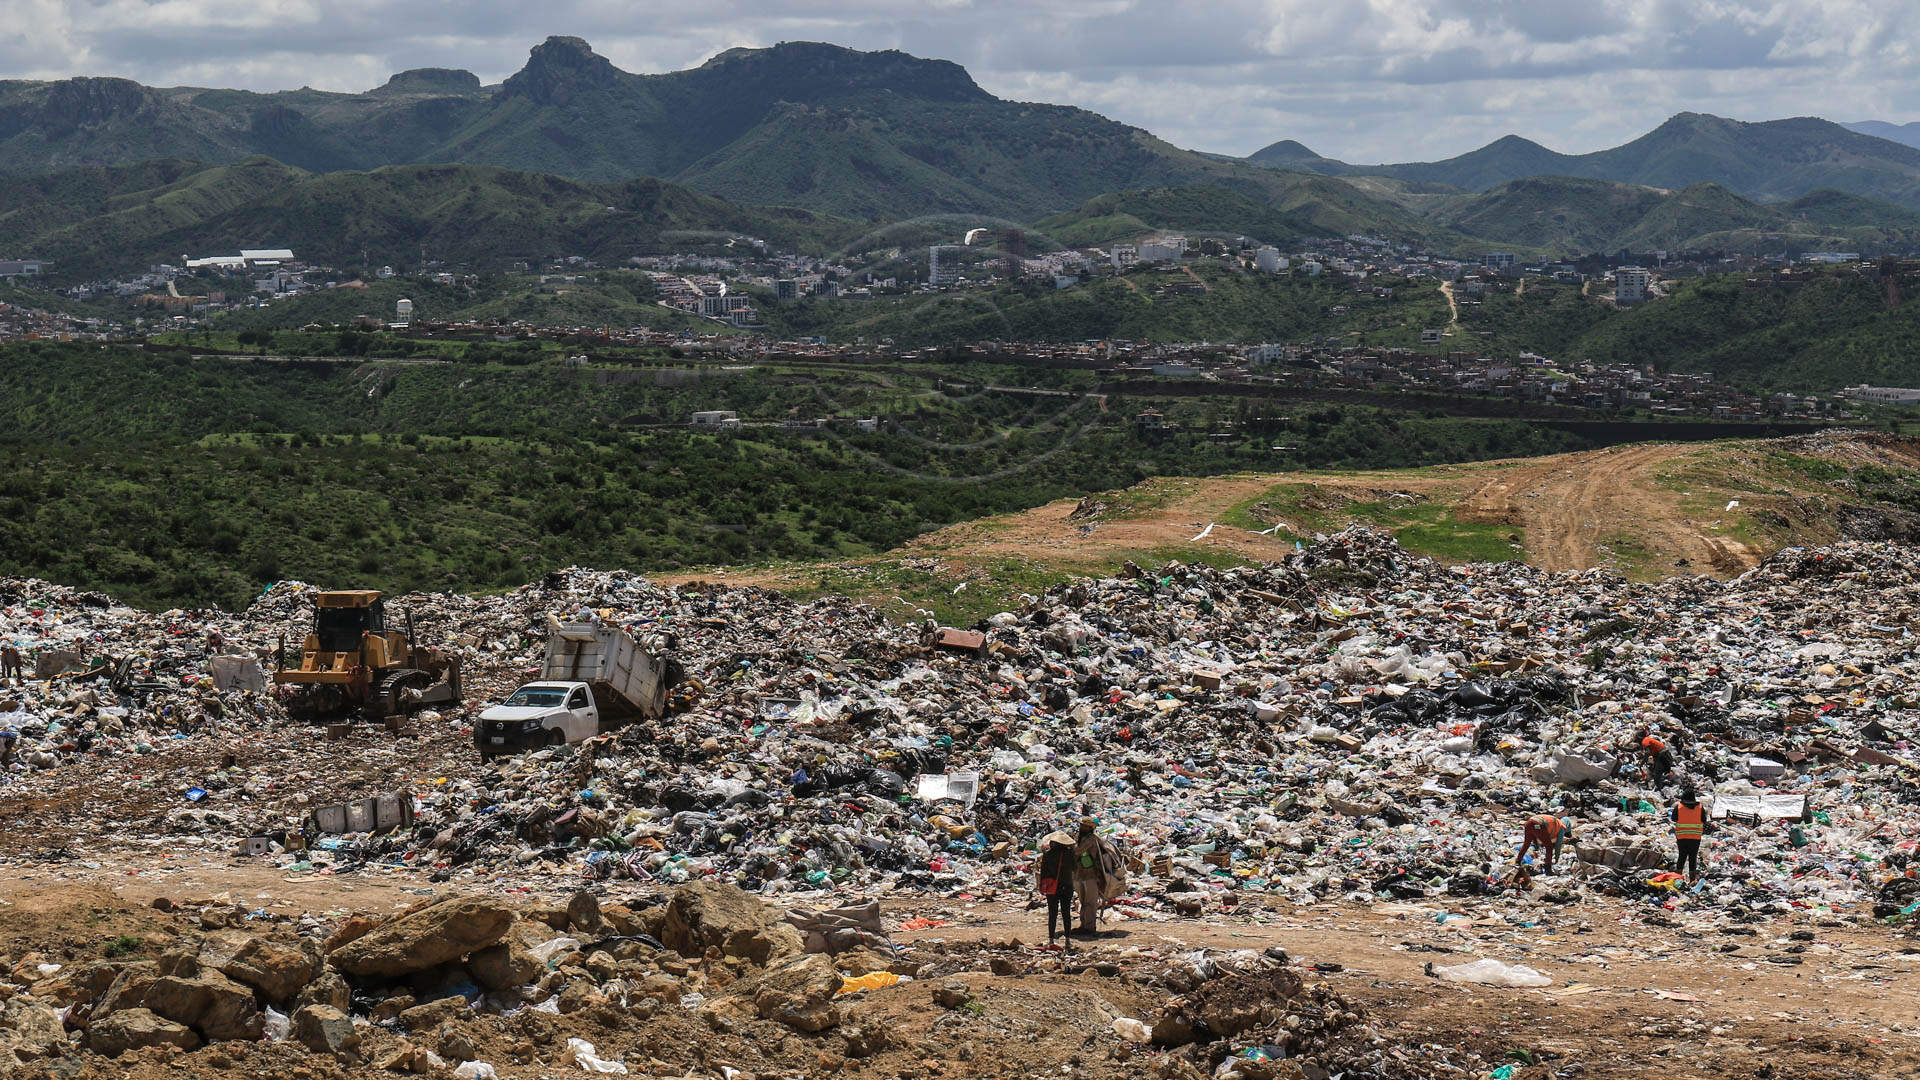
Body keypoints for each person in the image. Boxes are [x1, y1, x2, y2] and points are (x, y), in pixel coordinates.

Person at [1036, 828, 1078, 950]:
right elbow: (1075, 868)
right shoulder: (1070, 855)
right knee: (1066, 913)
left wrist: (1041, 886)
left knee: (1052, 913)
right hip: (1067, 886)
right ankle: (1068, 940)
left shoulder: (1048, 855)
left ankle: (1051, 940)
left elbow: (1043, 872)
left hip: (1052, 887)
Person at [1072, 818, 1108, 937]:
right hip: (1079, 874)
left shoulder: (1092, 839)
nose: (1082, 828)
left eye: (1084, 826)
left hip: (1091, 875)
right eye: (1081, 825)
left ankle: (1090, 927)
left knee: (1090, 902)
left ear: (1090, 828)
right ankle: (1084, 925)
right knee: (1083, 901)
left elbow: (1077, 851)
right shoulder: (1079, 837)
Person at [1670, 784, 1708, 883]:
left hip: (1682, 837)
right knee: (1693, 857)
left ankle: (1678, 878)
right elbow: (1704, 820)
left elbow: (1673, 818)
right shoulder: (1700, 807)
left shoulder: (1679, 807)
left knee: (1682, 856)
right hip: (1695, 837)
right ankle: (1692, 880)